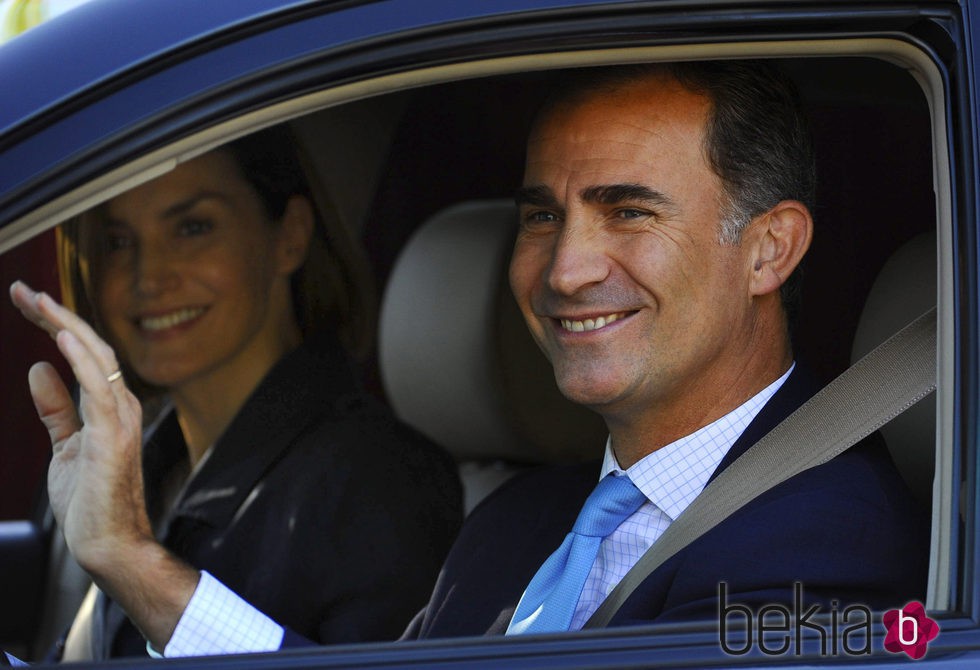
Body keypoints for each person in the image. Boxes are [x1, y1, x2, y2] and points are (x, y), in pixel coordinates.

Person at [406, 60, 931, 638]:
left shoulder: (833, 537)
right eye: (542, 217)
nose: (565, 271)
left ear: (769, 250)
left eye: (630, 213)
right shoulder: (511, 522)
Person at [9, 124, 462, 660]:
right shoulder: (141, 462)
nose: (148, 276)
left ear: (289, 236)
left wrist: (132, 562)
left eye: (193, 227)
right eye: (117, 242)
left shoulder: (381, 482)